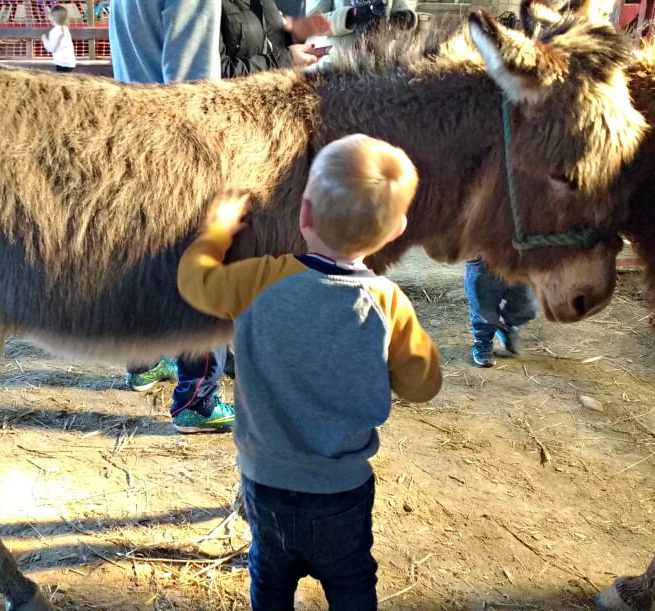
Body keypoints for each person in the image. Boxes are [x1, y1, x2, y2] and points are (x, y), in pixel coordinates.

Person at [177, 134, 442, 609]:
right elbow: (423, 386)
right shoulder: (387, 302)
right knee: (352, 580)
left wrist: (216, 231)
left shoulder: (260, 280)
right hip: (342, 489)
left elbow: (195, 282)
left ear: (304, 215)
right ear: (396, 230)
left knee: (270, 575)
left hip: (265, 480)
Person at [112, 0, 329, 434]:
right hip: (188, 150)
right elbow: (196, 89)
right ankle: (197, 398)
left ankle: (142, 362)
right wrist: (285, 58)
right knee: (209, 261)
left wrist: (286, 35)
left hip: (139, 133)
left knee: (151, 257)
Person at [464, 254, 538, 368]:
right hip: (483, 254)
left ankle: (504, 324)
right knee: (484, 304)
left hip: (519, 253)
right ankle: (483, 340)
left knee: (526, 305)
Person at [305, 0, 418, 58]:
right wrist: (351, 17)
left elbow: (403, 9)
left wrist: (405, 18)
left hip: (381, 64)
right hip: (338, 66)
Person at [42, 5, 77, 72]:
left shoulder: (55, 31)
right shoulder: (65, 29)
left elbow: (51, 49)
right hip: (70, 62)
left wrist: (44, 40)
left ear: (52, 18)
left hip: (62, 63)